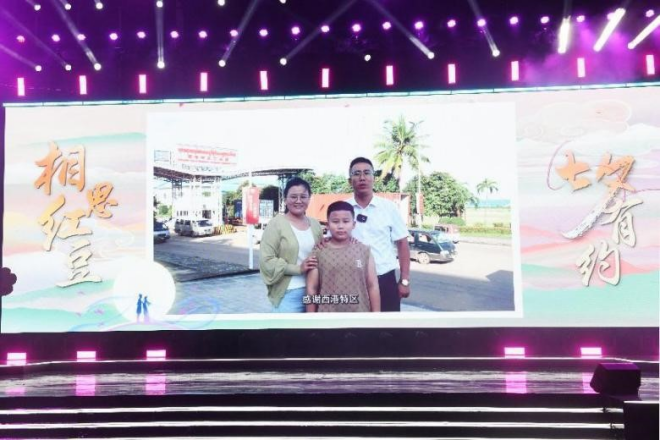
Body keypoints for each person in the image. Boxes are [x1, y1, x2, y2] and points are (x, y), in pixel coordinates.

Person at [346, 157, 411, 312]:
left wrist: (404, 281)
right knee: (354, 326)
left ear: (373, 178)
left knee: (387, 326)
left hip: (385, 281)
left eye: (367, 173)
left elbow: (402, 244)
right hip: (351, 282)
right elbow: (331, 244)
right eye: (357, 174)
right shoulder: (342, 208)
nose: (362, 178)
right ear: (350, 181)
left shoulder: (389, 208)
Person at [260, 177, 324, 312]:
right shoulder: (276, 224)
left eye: (303, 197)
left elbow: (323, 252)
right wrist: (298, 269)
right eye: (293, 197)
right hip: (289, 294)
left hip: (315, 291)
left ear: (309, 198)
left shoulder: (315, 224)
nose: (298, 201)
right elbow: (266, 261)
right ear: (285, 199)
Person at [305, 201, 380, 313]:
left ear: (353, 224)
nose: (340, 226)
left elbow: (373, 285)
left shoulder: (364, 251)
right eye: (335, 222)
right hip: (327, 315)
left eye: (346, 221)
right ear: (327, 225)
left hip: (360, 314)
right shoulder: (318, 252)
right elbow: (311, 288)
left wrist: (376, 315)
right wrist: (310, 317)